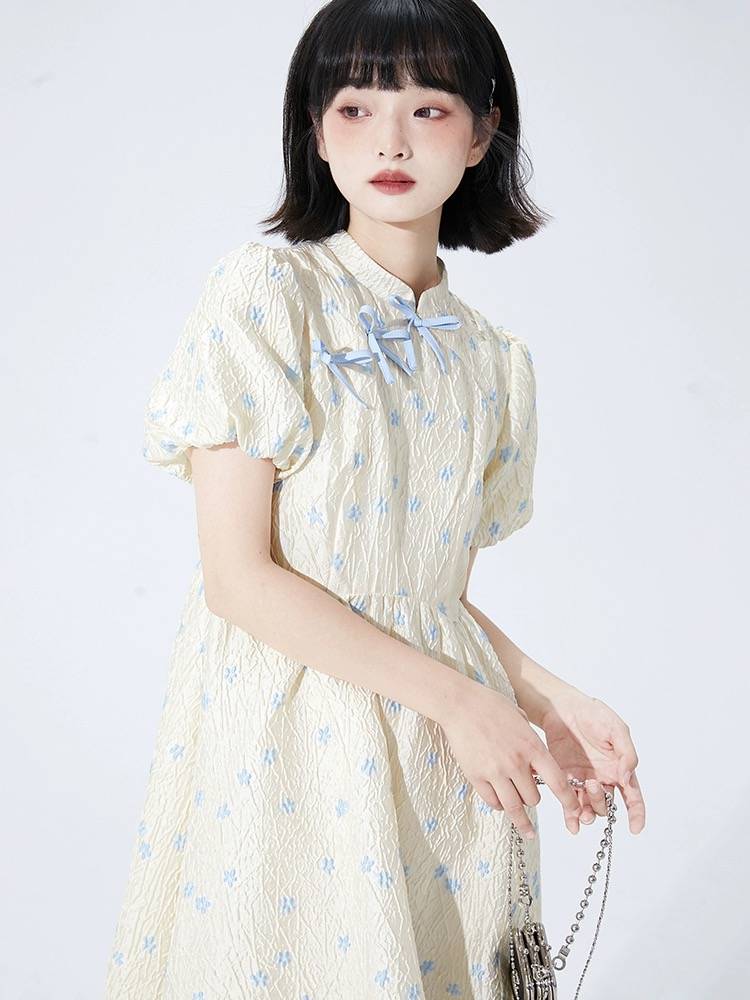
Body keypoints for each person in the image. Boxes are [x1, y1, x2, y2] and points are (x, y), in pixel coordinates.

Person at [105, 1, 646, 997]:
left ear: (482, 133)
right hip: (292, 739)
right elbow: (239, 579)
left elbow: (428, 594)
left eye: (428, 109)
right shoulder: (267, 294)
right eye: (354, 108)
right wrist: (465, 701)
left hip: (446, 748)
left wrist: (551, 701)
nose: (389, 141)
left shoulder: (492, 360)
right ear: (315, 133)